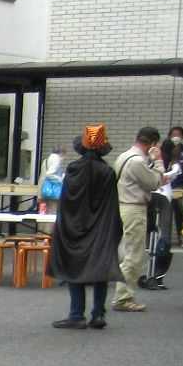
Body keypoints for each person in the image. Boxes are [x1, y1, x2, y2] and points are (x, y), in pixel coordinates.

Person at [47, 124, 122, 331]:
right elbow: (112, 204)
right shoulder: (107, 172)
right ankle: (98, 314)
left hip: (75, 227)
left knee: (74, 267)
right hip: (101, 227)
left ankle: (76, 314)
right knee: (100, 268)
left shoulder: (73, 169)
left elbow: (67, 202)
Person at [112, 126, 177, 312]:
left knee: (126, 252)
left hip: (122, 205)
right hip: (134, 209)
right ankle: (123, 298)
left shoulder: (123, 156)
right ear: (153, 143)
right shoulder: (138, 161)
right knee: (134, 254)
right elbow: (154, 182)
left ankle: (122, 295)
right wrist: (158, 162)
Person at [162, 125, 183, 227]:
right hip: (164, 184)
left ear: (182, 136)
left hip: (178, 185)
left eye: (178, 135)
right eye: (173, 135)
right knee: (165, 210)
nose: (176, 137)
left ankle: (181, 235)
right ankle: (164, 238)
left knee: (179, 211)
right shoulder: (164, 148)